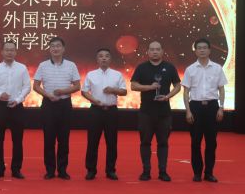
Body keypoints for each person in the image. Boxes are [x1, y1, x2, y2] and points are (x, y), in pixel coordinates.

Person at [131, 41, 181, 182]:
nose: (154, 52)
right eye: (152, 49)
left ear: (162, 51)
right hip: (146, 112)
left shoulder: (169, 67)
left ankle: (163, 171)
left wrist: (167, 96)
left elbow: (178, 86)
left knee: (163, 143)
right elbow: (133, 86)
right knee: (145, 142)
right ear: (148, 52)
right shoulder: (141, 67)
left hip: (164, 112)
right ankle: (146, 171)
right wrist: (150, 87)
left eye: (157, 49)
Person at [33, 37, 80, 180]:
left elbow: (77, 86)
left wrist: (63, 91)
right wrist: (48, 95)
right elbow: (36, 86)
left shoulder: (71, 65)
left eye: (58, 46)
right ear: (49, 49)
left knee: (64, 139)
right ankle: (49, 170)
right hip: (48, 105)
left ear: (63, 49)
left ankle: (62, 170)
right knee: (49, 139)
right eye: (52, 46)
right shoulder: (43, 65)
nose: (55, 48)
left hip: (64, 105)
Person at [182, 38, 227, 183]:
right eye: (199, 48)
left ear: (209, 50)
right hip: (195, 107)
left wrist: (221, 107)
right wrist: (188, 111)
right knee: (195, 142)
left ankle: (209, 173)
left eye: (204, 48)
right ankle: (197, 173)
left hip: (212, 107)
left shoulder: (217, 68)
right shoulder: (190, 69)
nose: (202, 50)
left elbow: (221, 89)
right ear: (195, 51)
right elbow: (186, 92)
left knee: (211, 142)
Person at [0, 41, 31, 179]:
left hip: (17, 106)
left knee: (17, 140)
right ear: (2, 52)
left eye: (12, 50)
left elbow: (27, 86)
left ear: (15, 52)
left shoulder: (22, 68)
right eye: (7, 50)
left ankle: (16, 169)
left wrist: (18, 99)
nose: (9, 52)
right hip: (0, 106)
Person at [81, 48, 127, 180]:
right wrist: (94, 100)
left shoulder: (117, 75)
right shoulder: (91, 74)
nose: (104, 58)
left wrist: (113, 90)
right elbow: (84, 91)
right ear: (97, 59)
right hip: (95, 110)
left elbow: (124, 92)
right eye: (101, 56)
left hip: (111, 111)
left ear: (110, 59)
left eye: (107, 56)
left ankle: (110, 170)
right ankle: (91, 170)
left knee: (112, 142)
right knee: (92, 142)